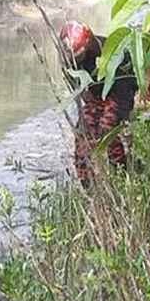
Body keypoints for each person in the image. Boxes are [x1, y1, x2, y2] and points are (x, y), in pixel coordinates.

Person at [59, 21, 136, 186]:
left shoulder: (114, 52)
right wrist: (90, 107)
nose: (77, 60)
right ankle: (88, 185)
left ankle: (121, 177)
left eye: (79, 56)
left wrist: (112, 116)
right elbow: (79, 87)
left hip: (118, 93)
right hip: (96, 96)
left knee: (109, 130)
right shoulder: (69, 58)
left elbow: (127, 90)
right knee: (82, 137)